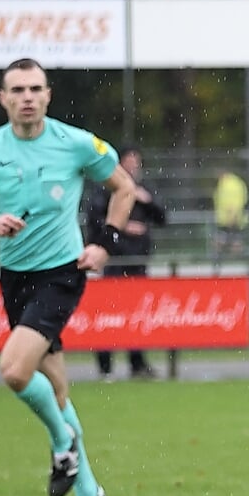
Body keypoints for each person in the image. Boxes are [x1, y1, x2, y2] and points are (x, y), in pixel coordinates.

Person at [0, 58, 140, 496]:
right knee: (56, 390)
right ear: (3, 98)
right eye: (17, 89)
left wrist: (104, 244)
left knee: (13, 370)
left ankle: (62, 444)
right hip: (15, 278)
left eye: (35, 88)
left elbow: (124, 187)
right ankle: (89, 495)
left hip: (61, 274)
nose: (27, 97)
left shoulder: (75, 143)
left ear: (48, 95)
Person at [87, 145, 168, 379]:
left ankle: (138, 363)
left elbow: (163, 217)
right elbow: (94, 218)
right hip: (115, 260)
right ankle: (105, 366)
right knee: (109, 314)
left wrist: (147, 200)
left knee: (137, 314)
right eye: (129, 160)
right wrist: (121, 225)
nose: (134, 165)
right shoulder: (106, 188)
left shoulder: (143, 189)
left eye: (137, 160)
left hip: (138, 262)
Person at [213, 170, 249, 257]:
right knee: (234, 240)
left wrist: (232, 214)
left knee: (226, 240)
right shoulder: (235, 183)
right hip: (233, 217)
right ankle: (233, 260)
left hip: (228, 218)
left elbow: (232, 201)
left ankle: (222, 260)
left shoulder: (228, 185)